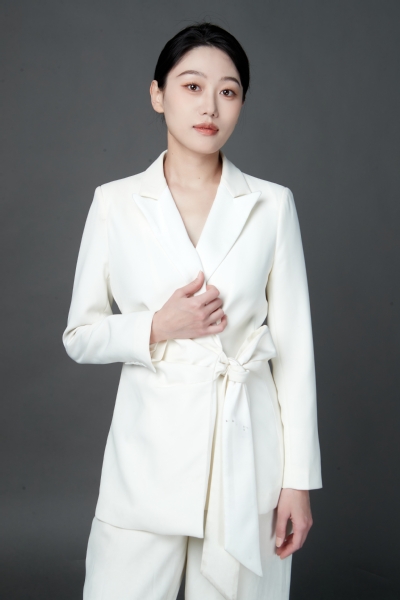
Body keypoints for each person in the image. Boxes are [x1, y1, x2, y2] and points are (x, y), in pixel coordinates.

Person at [62, 22, 322, 600]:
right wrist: (158, 326)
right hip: (147, 461)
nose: (210, 106)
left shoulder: (271, 205)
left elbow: (295, 355)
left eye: (228, 91)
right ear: (158, 94)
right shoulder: (115, 203)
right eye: (192, 86)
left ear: (242, 103)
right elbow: (79, 334)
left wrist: (297, 482)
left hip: (247, 458)